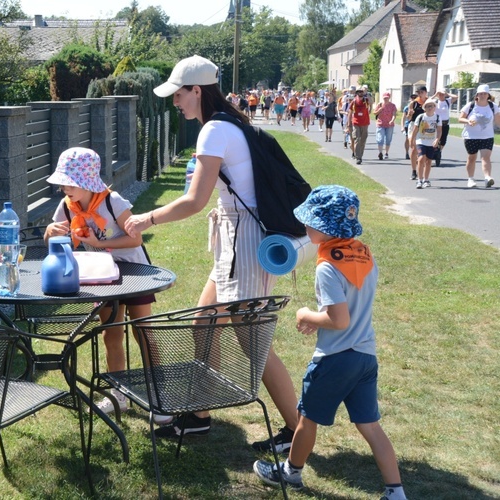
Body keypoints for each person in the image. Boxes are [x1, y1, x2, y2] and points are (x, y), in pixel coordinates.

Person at [124, 55, 299, 446]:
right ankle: (199, 415)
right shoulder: (227, 124)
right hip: (239, 239)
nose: (175, 102)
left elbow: (194, 200)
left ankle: (298, 430)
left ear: (197, 91)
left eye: (179, 94)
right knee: (204, 322)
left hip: (245, 242)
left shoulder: (214, 131)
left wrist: (144, 219)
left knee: (252, 340)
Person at [253, 185, 407, 500]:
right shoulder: (364, 254)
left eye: (310, 221)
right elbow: (349, 311)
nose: (305, 226)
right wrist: (321, 318)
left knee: (306, 420)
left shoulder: (327, 267)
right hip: (365, 356)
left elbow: (339, 320)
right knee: (371, 426)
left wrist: (308, 314)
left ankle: (291, 473)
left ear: (325, 227)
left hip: (335, 358)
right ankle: (396, 492)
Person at [43, 147, 168, 422]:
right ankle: (118, 394)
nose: (64, 188)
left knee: (142, 332)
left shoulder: (113, 201)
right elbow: (56, 244)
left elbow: (135, 240)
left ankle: (156, 396)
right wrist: (50, 233)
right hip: (101, 275)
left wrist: (100, 243)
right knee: (110, 333)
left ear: (87, 182)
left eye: (69, 183)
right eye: (63, 183)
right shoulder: (67, 206)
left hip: (135, 273)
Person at [458, 84, 500, 188]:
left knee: (486, 157)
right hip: (471, 136)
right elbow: (460, 118)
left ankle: (487, 177)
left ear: (488, 95)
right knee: (472, 157)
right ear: (477, 95)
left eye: (485, 94)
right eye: (480, 94)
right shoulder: (471, 105)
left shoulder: (493, 106)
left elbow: (498, 120)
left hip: (487, 136)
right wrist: (468, 121)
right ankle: (471, 179)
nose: (482, 95)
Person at [409, 98, 441, 188]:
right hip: (421, 140)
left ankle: (426, 180)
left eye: (432, 106)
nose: (430, 108)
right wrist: (412, 140)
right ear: (425, 108)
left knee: (428, 161)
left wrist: (437, 140)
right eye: (428, 106)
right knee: (421, 158)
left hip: (431, 142)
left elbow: (439, 131)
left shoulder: (438, 117)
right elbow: (415, 130)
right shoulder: (421, 117)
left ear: (435, 107)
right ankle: (419, 180)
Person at [431, 88, 458, 167]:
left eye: (442, 94)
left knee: (443, 140)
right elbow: (427, 101)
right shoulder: (435, 102)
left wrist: (447, 93)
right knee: (435, 138)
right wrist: (435, 94)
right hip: (436, 123)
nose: (441, 96)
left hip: (445, 124)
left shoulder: (447, 101)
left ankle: (439, 151)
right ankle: (433, 151)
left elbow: (456, 97)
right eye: (440, 94)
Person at [407, 86, 428, 180]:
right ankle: (413, 170)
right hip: (413, 125)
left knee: (424, 149)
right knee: (414, 148)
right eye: (418, 92)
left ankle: (421, 169)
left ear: (425, 92)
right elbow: (408, 118)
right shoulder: (414, 103)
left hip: (425, 127)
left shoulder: (429, 102)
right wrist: (410, 113)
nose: (419, 94)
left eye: (421, 92)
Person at [346, 86, 371, 165]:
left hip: (365, 123)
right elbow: (350, 112)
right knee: (357, 139)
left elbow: (371, 104)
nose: (360, 94)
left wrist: (368, 95)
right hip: (356, 123)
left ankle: (360, 155)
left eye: (362, 92)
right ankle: (358, 157)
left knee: (363, 141)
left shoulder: (366, 100)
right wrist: (349, 123)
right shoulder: (353, 102)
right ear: (357, 93)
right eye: (359, 92)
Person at [373, 92, 397, 160]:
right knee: (380, 139)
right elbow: (374, 113)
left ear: (389, 98)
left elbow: (394, 114)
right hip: (380, 124)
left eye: (387, 98)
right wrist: (379, 110)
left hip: (389, 125)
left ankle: (386, 153)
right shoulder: (380, 105)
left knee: (388, 140)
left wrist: (392, 120)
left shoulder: (393, 106)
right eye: (384, 98)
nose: (385, 99)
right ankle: (380, 152)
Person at [401, 93, 417, 162]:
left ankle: (415, 152)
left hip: (417, 125)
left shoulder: (419, 106)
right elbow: (403, 117)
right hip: (408, 125)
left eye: (415, 98)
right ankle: (407, 152)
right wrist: (402, 126)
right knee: (408, 139)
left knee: (416, 140)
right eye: (412, 98)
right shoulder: (407, 107)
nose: (413, 99)